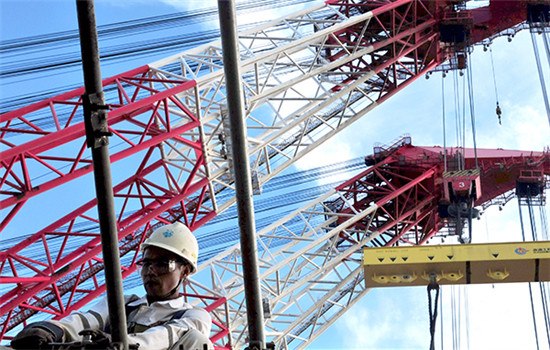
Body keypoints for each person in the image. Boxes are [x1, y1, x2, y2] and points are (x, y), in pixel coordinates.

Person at [11, 222, 213, 350]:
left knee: (197, 342)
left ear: (185, 271)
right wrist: (52, 329)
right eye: (147, 263)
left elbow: (166, 337)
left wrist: (122, 344)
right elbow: (87, 320)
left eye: (162, 264)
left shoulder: (193, 316)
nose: (151, 270)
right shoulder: (124, 304)